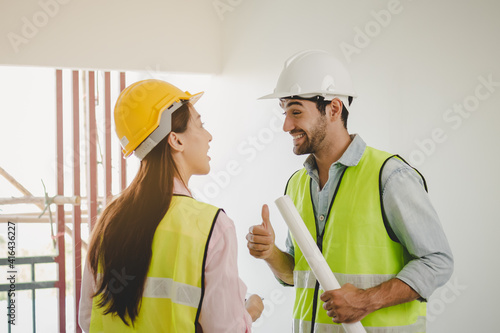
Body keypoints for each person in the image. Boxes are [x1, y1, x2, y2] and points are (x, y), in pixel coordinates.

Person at [246, 50, 453, 332]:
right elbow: (298, 273)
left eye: (295, 112)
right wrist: (270, 252)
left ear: (333, 108)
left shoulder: (389, 176)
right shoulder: (297, 184)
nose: (286, 125)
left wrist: (367, 300)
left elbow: (437, 261)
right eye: (284, 113)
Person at [79, 79, 263, 332]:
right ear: (175, 140)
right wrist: (250, 311)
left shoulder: (110, 219)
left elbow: (88, 319)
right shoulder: (212, 225)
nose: (209, 136)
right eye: (200, 125)